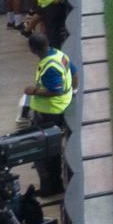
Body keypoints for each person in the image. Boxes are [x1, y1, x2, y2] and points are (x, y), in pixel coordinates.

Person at [23, 30, 70, 199]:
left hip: (48, 114)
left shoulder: (49, 65)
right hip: (55, 111)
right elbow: (75, 72)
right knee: (52, 151)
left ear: (33, 49)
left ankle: (50, 188)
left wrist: (34, 90)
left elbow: (55, 90)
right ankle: (54, 185)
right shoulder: (58, 54)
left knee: (44, 153)